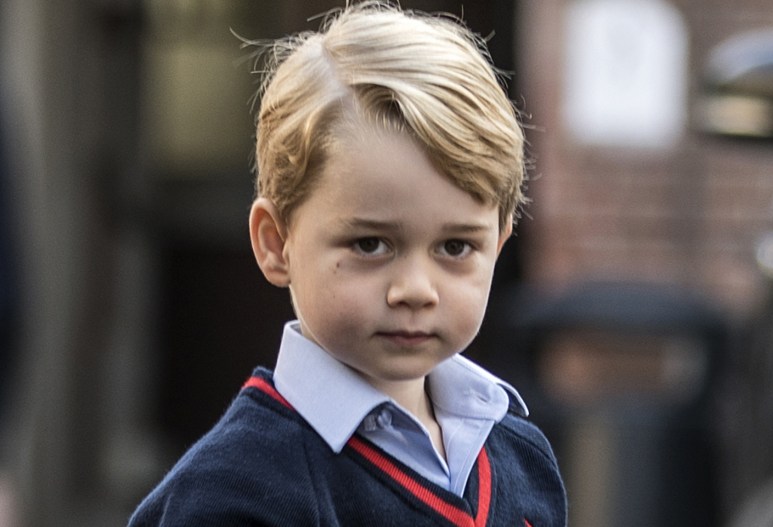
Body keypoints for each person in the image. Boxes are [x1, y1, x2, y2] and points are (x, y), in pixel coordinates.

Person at [128, 2, 567, 525]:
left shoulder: (522, 457)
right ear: (276, 242)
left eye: (455, 248)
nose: (415, 289)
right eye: (370, 245)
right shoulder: (233, 496)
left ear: (497, 246)